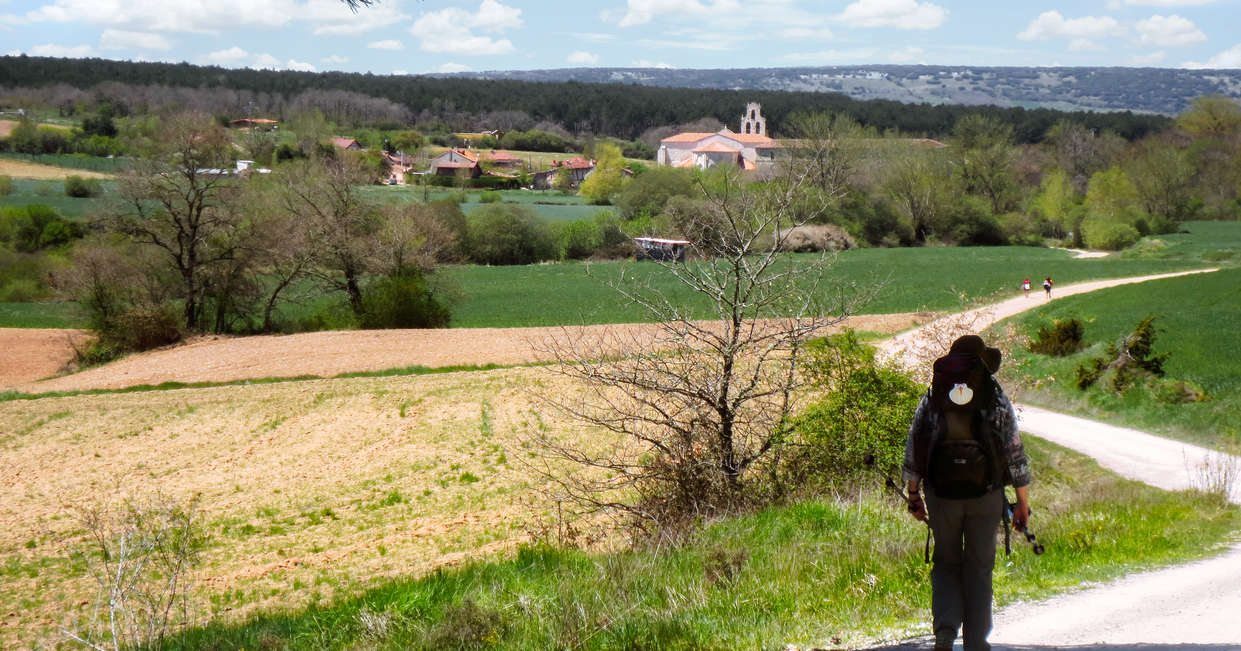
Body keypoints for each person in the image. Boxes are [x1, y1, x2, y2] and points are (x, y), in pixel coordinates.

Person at [902, 335, 1032, 651]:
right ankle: (975, 642)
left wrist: (915, 494)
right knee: (979, 565)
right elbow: (1013, 450)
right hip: (985, 494)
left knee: (946, 561)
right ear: (982, 360)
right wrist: (1022, 502)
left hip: (941, 494)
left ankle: (945, 631)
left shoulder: (934, 394)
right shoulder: (994, 395)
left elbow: (915, 445)